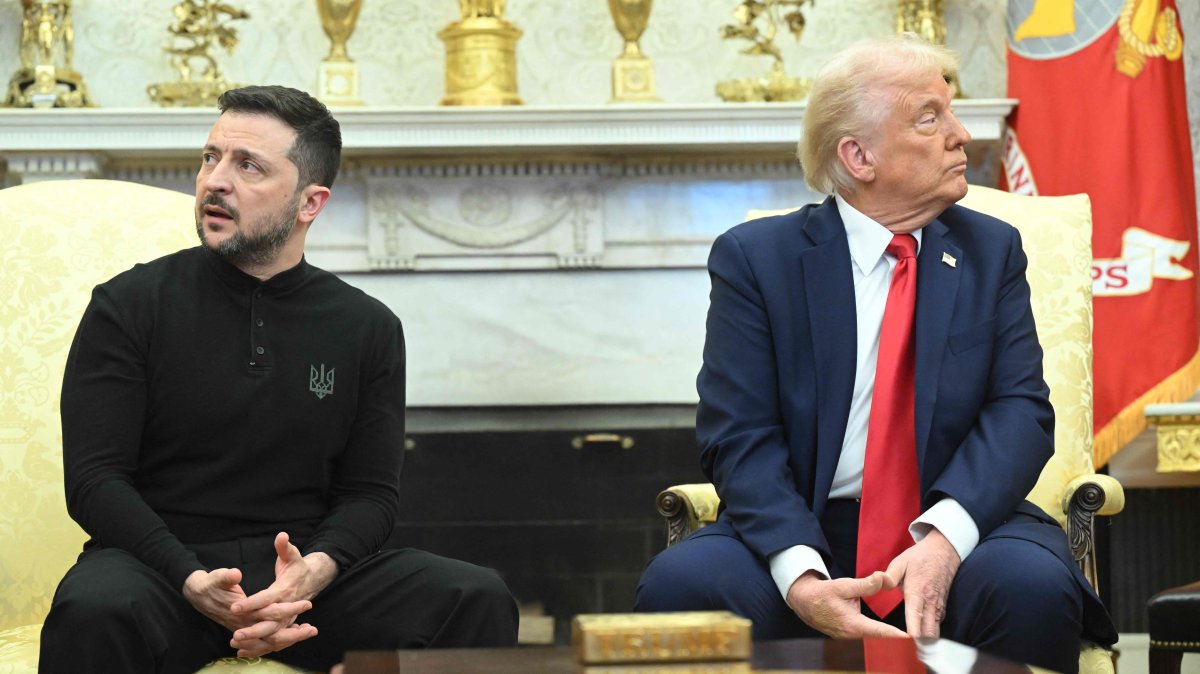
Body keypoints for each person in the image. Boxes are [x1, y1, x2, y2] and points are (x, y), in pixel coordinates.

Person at [635, 36, 1116, 674]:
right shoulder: (757, 260)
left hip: (962, 520)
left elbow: (1020, 413)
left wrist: (944, 540)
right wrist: (800, 574)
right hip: (807, 521)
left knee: (1028, 587)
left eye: (953, 111)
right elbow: (738, 435)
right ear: (858, 156)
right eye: (929, 116)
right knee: (685, 587)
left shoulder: (991, 250)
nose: (961, 134)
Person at [41, 85, 518, 674]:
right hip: (161, 576)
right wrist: (190, 579)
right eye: (210, 157)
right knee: (94, 607)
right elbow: (95, 480)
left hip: (306, 588)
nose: (215, 180)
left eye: (248, 166)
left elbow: (371, 495)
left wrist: (313, 572)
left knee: (475, 596)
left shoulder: (366, 326)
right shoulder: (128, 304)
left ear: (309, 203)